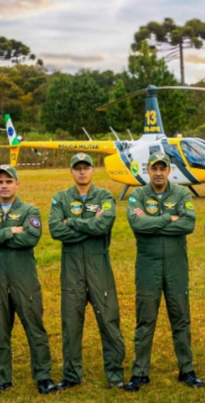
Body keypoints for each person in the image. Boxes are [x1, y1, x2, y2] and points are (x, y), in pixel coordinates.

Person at [0, 165, 55, 396]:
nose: (4, 186)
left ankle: (43, 376)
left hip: (24, 279)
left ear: (17, 184)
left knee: (35, 327)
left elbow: (31, 238)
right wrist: (11, 231)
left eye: (9, 181)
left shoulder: (31, 211)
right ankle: (1, 378)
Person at [124, 153, 203, 391]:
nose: (158, 172)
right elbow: (137, 225)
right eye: (153, 168)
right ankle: (140, 372)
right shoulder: (138, 194)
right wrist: (170, 218)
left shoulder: (182, 193)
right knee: (145, 319)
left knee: (180, 317)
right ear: (147, 170)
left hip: (175, 265)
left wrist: (152, 222)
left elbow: (188, 224)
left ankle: (187, 370)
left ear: (169, 170)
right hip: (148, 265)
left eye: (162, 168)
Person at [47, 153, 126, 391]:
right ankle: (71, 375)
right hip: (71, 268)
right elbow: (55, 230)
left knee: (109, 319)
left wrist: (70, 222)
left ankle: (114, 374)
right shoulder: (60, 198)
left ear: (93, 170)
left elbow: (105, 224)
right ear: (71, 172)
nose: (82, 172)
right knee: (71, 322)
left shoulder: (104, 196)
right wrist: (90, 226)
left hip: (98, 266)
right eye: (77, 168)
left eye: (86, 167)